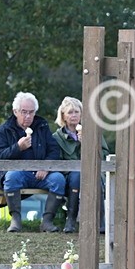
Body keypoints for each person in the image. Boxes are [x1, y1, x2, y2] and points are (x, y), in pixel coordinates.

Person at [0, 92, 66, 233]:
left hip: (41, 173)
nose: (28, 116)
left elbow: (54, 150)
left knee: (58, 179)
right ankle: (15, 220)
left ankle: (47, 222)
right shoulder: (4, 130)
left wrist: (45, 167)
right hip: (18, 173)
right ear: (15, 112)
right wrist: (17, 147)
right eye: (24, 112)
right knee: (12, 176)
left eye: (31, 112)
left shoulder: (42, 126)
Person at [52, 96, 107, 234]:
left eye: (77, 112)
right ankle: (71, 219)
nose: (74, 115)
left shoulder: (93, 131)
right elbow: (56, 159)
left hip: (92, 170)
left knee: (97, 178)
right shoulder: (57, 137)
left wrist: (87, 144)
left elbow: (104, 153)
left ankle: (100, 221)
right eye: (70, 112)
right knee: (76, 176)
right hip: (69, 174)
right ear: (63, 116)